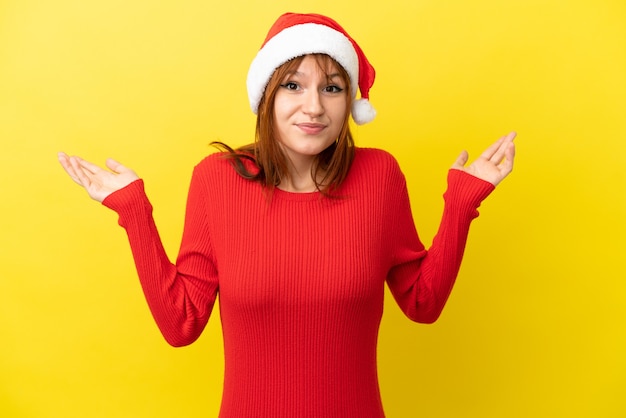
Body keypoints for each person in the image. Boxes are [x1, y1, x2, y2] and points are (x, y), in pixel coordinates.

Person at [58, 12, 515, 418]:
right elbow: (181, 324)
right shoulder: (217, 181)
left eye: (332, 88)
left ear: (349, 102)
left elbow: (423, 302)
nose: (313, 106)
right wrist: (134, 211)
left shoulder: (379, 176)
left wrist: (461, 203)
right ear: (267, 96)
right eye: (293, 85)